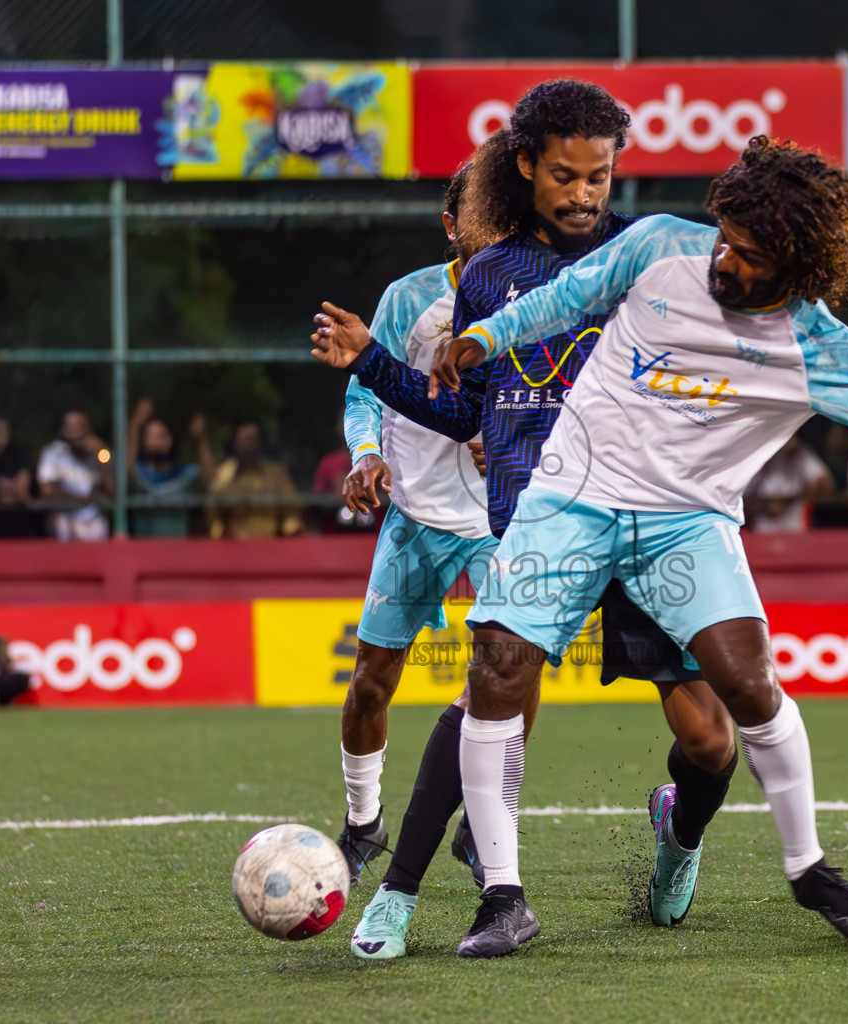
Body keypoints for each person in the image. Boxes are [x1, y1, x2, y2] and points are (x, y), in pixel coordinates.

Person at [321, 135, 848, 958]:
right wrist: (486, 339)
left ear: (798, 270)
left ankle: (807, 868)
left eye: (747, 255)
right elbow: (564, 300)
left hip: (683, 522)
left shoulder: (820, 352)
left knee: (743, 693)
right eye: (725, 237)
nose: (723, 259)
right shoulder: (657, 249)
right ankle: (501, 898)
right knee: (496, 668)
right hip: (571, 499)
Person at [315, 81, 739, 959]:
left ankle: (680, 835)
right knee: (486, 690)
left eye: (600, 176)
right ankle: (412, 894)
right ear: (525, 170)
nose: (585, 193)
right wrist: (375, 368)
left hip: (648, 519)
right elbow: (466, 407)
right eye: (566, 175)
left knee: (709, 738)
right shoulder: (488, 276)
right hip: (538, 526)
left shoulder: (649, 256)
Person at [327, 166, 500, 934]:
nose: (495, 225)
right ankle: (365, 821)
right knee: (372, 682)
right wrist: (366, 453)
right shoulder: (410, 298)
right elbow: (364, 389)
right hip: (413, 517)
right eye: (480, 212)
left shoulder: (539, 299)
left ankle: (478, 817)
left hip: (501, 523)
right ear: (450, 225)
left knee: (506, 681)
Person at [127, 398, 214, 538]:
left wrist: (201, 440)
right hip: (144, 553)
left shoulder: (185, 475)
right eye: (150, 436)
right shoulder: (140, 475)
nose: (157, 441)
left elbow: (211, 478)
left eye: (162, 435)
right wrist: (135, 425)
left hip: (178, 552)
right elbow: (128, 470)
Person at [207, 422, 303, 539]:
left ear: (260, 443)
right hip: (232, 546)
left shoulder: (277, 473)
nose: (248, 446)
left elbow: (291, 511)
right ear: (234, 443)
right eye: (244, 441)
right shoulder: (223, 474)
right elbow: (214, 514)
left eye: (252, 440)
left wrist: (290, 532)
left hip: (273, 545)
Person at [38, 410, 114, 541]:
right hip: (66, 517)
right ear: (63, 430)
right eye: (72, 427)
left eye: (81, 427)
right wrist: (83, 501)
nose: (77, 432)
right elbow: (48, 491)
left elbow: (111, 490)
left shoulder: (99, 452)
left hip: (94, 520)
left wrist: (101, 451)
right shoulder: (54, 452)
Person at [745, 436, 834, 533]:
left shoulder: (802, 456)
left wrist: (790, 500)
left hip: (792, 516)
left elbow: (825, 484)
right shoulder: (760, 455)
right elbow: (746, 493)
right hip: (764, 516)